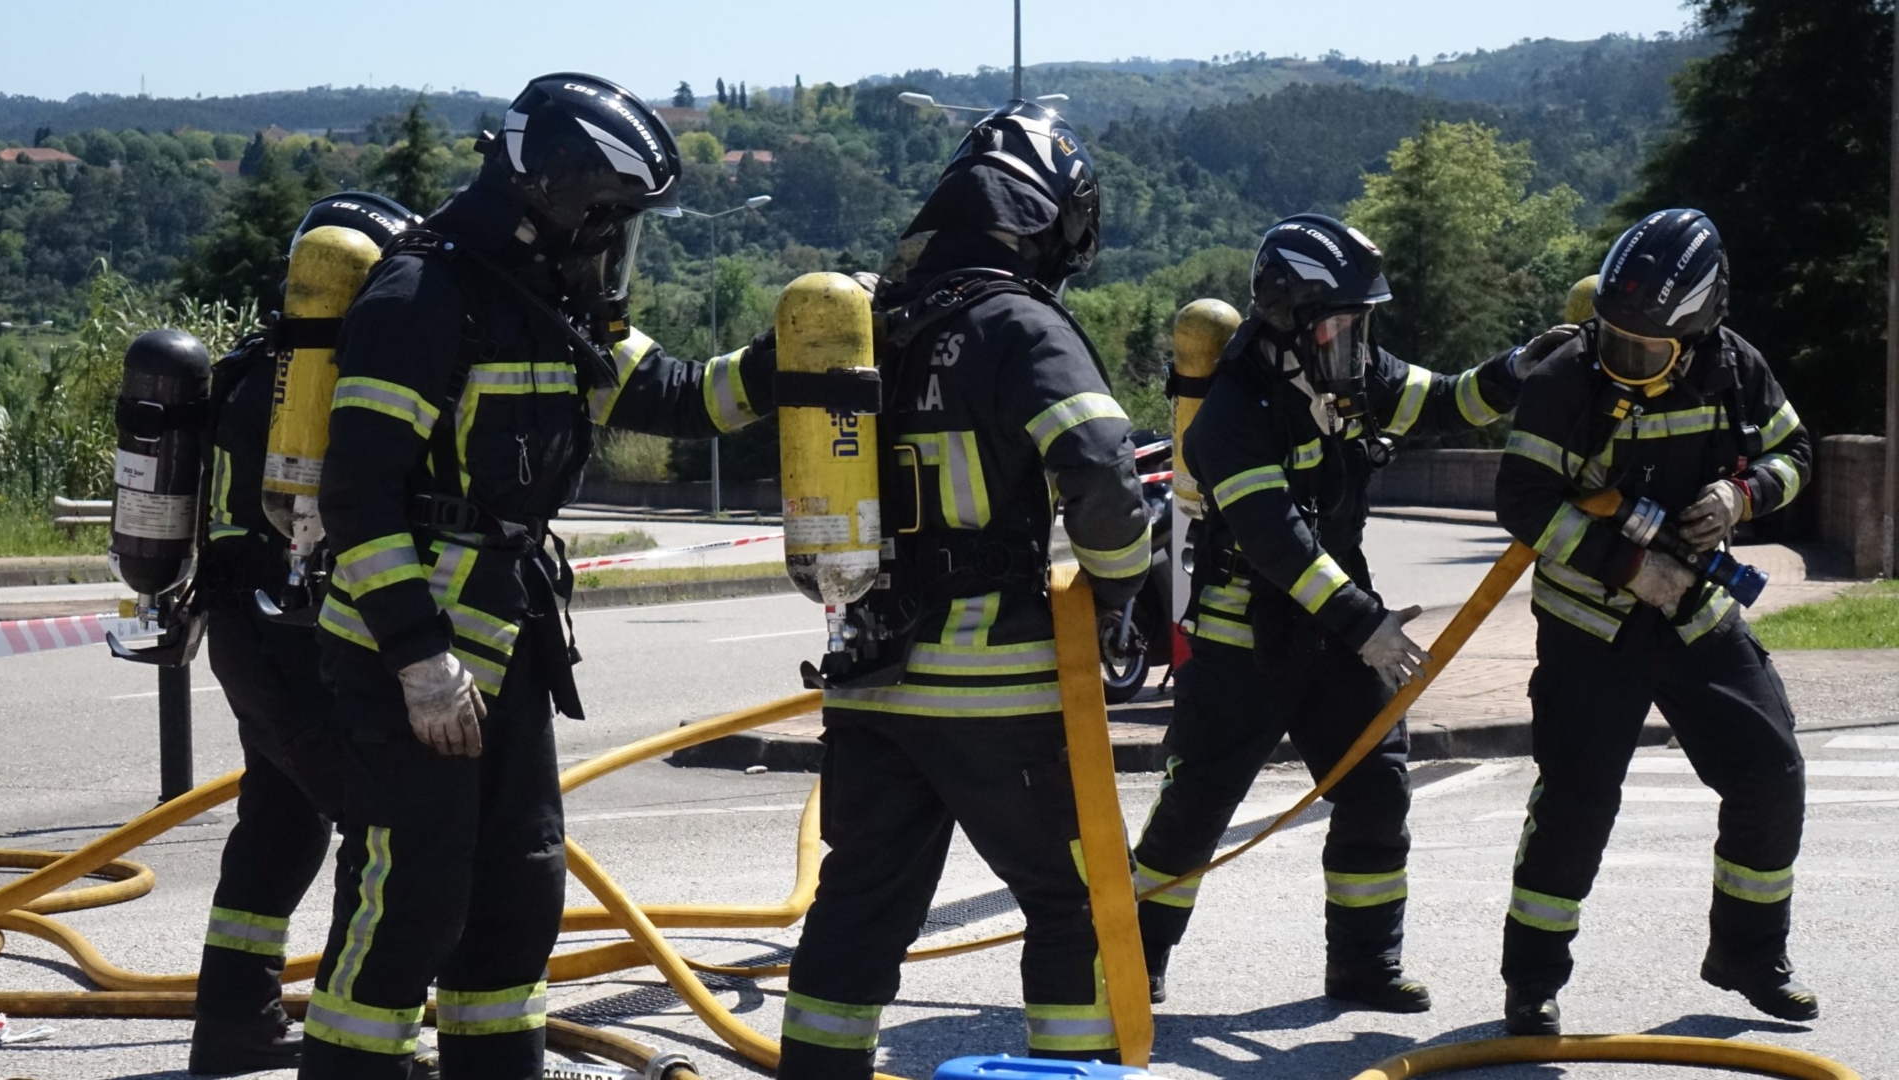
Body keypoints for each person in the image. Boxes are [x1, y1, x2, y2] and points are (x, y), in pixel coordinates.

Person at [298, 74, 778, 1080]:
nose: (615, 242)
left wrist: (804, 357)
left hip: (505, 640)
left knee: (519, 890)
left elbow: (684, 397)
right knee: (412, 893)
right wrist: (420, 660)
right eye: (610, 217)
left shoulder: (553, 305)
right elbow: (358, 497)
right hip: (407, 656)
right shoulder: (420, 295)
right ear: (558, 194)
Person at [775, 100, 1150, 1078]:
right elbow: (1104, 469)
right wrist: (1120, 589)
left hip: (866, 668)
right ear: (1040, 220)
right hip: (993, 682)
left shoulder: (873, 330)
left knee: (856, 909)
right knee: (1074, 901)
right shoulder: (1017, 324)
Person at [1132, 214, 1540, 1010]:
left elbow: (1443, 401)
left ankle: (1363, 968)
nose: (1358, 339)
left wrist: (1520, 368)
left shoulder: (1347, 374)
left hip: (1337, 629)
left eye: (1362, 323)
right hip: (1245, 637)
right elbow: (1278, 544)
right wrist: (1368, 627)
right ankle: (1132, 960)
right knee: (1195, 810)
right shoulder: (1231, 414)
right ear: (1292, 321)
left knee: (1377, 790)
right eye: (1342, 323)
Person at [1494, 208, 1814, 1035]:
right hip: (1589, 629)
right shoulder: (1567, 376)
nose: (1624, 362)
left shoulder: (1737, 367)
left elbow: (1796, 455)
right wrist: (1632, 567)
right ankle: (1532, 982)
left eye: (1648, 351)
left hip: (1698, 617)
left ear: (1702, 327)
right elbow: (1522, 501)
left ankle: (1747, 952)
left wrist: (1740, 494)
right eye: (1613, 337)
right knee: (1576, 802)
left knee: (1770, 774)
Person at [188, 191, 418, 1076]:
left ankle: (235, 1019)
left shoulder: (250, 368)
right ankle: (351, 1030)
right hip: (303, 636)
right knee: (378, 827)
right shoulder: (339, 378)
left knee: (279, 821)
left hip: (244, 628)